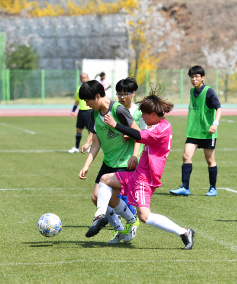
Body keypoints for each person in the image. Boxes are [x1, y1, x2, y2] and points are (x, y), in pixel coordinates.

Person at [86, 88, 195, 250]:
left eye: (144, 114)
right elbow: (142, 134)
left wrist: (115, 125)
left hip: (145, 178)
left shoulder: (160, 129)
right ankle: (100, 216)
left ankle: (184, 232)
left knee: (145, 216)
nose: (142, 116)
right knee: (104, 179)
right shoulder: (162, 126)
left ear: (153, 114)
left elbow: (140, 135)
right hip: (137, 174)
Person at [78, 80, 141, 242]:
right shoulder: (94, 113)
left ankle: (132, 220)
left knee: (111, 199)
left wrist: (135, 155)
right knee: (95, 197)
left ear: (97, 96)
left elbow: (138, 133)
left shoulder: (118, 110)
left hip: (123, 162)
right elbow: (97, 143)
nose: (86, 104)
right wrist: (86, 166)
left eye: (88, 100)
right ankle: (120, 229)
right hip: (108, 162)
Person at [170, 65, 222, 197]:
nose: (194, 79)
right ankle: (185, 187)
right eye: (192, 77)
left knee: (210, 160)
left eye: (196, 77)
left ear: (202, 78)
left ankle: (212, 188)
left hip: (207, 132)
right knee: (186, 156)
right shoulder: (192, 91)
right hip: (193, 132)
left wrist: (215, 123)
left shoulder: (209, 91)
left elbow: (219, 108)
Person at [107, 77, 147, 243]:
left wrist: (135, 154)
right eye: (119, 94)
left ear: (133, 93)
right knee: (114, 193)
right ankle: (122, 229)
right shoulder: (114, 110)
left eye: (125, 94)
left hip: (133, 156)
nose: (122, 97)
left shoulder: (139, 112)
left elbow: (144, 135)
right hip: (116, 156)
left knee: (126, 193)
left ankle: (130, 227)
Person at [68, 72, 94, 153]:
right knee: (78, 129)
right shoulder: (79, 88)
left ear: (88, 78)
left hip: (89, 111)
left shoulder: (91, 88)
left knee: (90, 130)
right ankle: (76, 147)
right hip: (81, 112)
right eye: (82, 78)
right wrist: (73, 111)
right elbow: (77, 101)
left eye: (85, 77)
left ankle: (91, 146)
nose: (84, 79)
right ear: (80, 79)